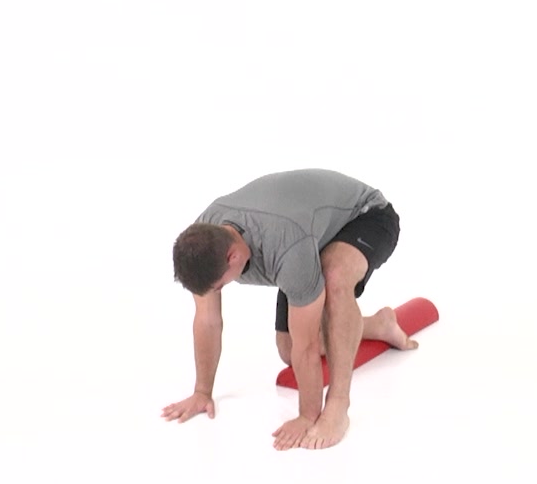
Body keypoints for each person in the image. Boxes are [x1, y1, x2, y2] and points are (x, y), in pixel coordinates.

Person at [161, 168, 418, 450]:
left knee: (334, 278)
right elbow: (208, 320)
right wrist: (202, 392)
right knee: (288, 349)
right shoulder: (202, 240)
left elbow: (307, 347)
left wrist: (307, 416)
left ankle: (338, 404)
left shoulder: (287, 247)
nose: (218, 291)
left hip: (366, 215)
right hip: (308, 229)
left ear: (233, 256)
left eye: (220, 286)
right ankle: (380, 324)